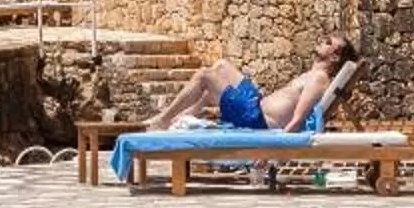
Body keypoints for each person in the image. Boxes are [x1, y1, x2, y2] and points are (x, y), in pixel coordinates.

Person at [151, 38, 356, 132]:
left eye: (328, 42)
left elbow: (298, 119)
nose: (322, 40)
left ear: (335, 56)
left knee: (205, 76)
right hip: (255, 105)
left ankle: (163, 119)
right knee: (221, 66)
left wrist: (273, 151)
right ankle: (183, 116)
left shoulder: (319, 79)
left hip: (257, 119)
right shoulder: (313, 74)